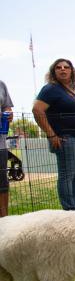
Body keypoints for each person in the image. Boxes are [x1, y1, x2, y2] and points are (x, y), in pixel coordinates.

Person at [32, 59, 75, 215]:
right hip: (67, 138)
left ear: (72, 71)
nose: (63, 69)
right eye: (58, 67)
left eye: (66, 67)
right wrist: (51, 134)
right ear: (53, 71)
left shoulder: (74, 89)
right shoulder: (51, 89)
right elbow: (37, 110)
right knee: (67, 175)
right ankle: (71, 209)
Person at [0, 80, 13, 217]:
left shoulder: (1, 84)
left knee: (2, 184)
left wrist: (8, 114)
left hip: (0, 145)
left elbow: (6, 107)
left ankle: (4, 222)